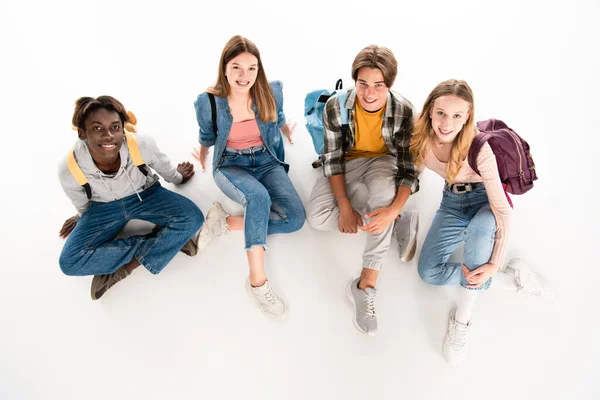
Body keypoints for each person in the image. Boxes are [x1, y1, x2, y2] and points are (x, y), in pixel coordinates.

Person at [411, 79, 551, 366]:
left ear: (468, 117)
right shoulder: (420, 135)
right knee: (428, 272)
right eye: (441, 113)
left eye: (457, 116)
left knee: (478, 240)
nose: (447, 123)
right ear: (429, 110)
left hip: (484, 201)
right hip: (451, 203)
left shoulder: (479, 149)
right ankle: (512, 279)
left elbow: (502, 210)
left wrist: (495, 262)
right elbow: (410, 173)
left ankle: (461, 321)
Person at [306, 45, 419, 336]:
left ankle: (365, 285)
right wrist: (344, 206)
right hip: (347, 162)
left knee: (382, 198)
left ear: (389, 85)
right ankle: (396, 223)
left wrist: (392, 208)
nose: (369, 93)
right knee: (317, 219)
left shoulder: (404, 111)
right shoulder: (336, 106)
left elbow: (409, 169)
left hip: (383, 161)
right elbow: (331, 159)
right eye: (363, 84)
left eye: (378, 85)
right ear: (355, 81)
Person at [192, 35, 305, 320]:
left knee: (295, 220)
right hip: (231, 165)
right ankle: (258, 283)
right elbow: (207, 135)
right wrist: (204, 156)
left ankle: (225, 223)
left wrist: (287, 132)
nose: (244, 76)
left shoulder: (270, 91)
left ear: (259, 69)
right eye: (237, 67)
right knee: (259, 198)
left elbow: (277, 117)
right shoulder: (209, 101)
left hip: (266, 161)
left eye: (251, 68)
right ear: (225, 68)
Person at [58, 96, 204, 300]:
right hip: (103, 208)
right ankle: (165, 242)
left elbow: (162, 166)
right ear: (82, 132)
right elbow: (81, 201)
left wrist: (178, 177)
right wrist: (82, 216)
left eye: (115, 127)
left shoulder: (141, 144)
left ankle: (125, 268)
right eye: (98, 128)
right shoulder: (69, 168)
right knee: (69, 262)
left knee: (193, 218)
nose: (109, 136)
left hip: (145, 195)